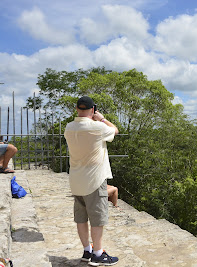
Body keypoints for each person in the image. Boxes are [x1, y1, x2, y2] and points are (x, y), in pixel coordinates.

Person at [64, 96, 119, 266]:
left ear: (76, 108)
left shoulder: (69, 128)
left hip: (76, 179)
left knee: (81, 218)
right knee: (97, 219)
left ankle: (87, 250)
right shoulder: (97, 127)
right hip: (94, 180)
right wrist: (101, 118)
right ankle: (97, 254)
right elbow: (115, 130)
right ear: (93, 109)